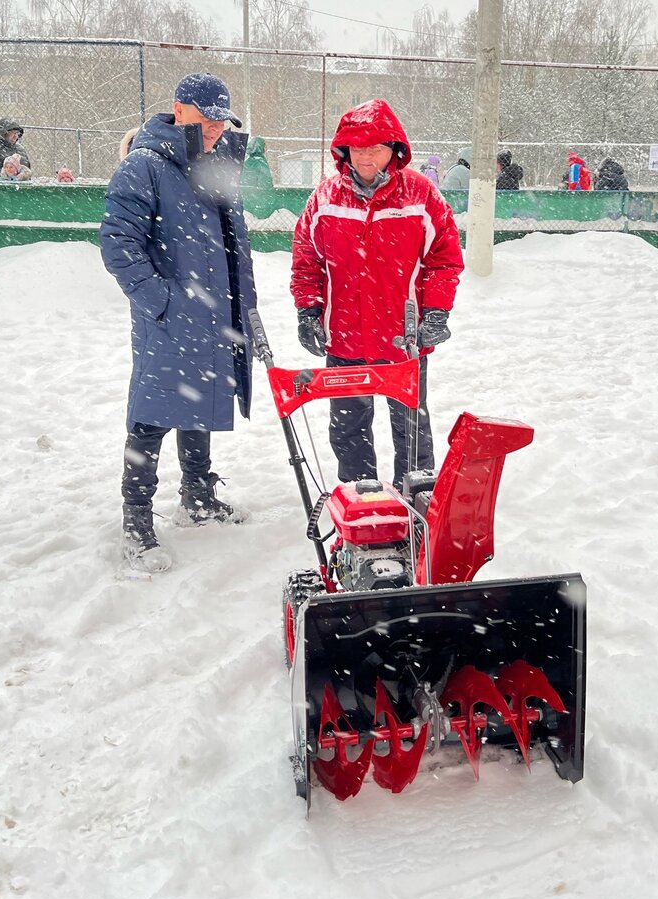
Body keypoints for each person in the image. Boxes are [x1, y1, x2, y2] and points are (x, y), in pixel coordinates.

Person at [100, 73, 257, 573]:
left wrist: (239, 306)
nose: (214, 129)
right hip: (169, 318)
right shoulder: (144, 166)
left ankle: (197, 494)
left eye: (221, 121)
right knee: (149, 418)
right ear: (180, 109)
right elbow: (118, 243)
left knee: (199, 401)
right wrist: (162, 302)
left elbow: (231, 246)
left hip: (212, 314)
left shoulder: (215, 164)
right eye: (207, 118)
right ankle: (137, 523)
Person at [291, 98, 463, 487]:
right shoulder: (325, 198)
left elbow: (444, 259)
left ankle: (415, 501)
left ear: (394, 150)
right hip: (345, 339)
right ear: (343, 150)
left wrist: (436, 312)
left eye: (376, 148)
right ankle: (360, 501)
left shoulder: (421, 197)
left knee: (412, 431)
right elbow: (307, 261)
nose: (366, 158)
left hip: (404, 337)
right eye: (357, 148)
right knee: (349, 429)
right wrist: (308, 311)